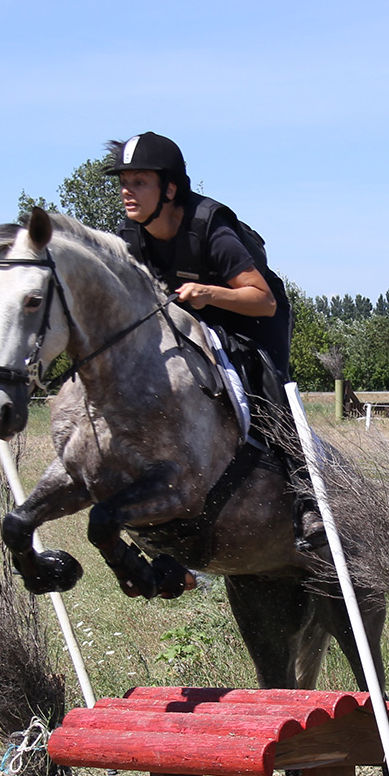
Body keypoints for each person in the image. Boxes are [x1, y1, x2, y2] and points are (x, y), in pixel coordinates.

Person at [103, 131, 321, 546]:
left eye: (139, 182)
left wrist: (207, 293)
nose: (127, 192)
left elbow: (263, 300)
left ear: (170, 188)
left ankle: (306, 499)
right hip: (195, 321)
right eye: (124, 183)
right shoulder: (130, 235)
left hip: (254, 318)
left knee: (264, 384)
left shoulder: (208, 226)